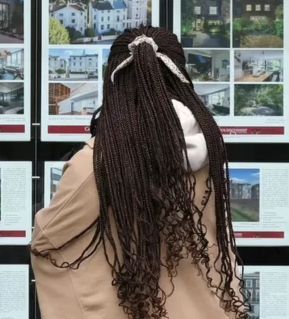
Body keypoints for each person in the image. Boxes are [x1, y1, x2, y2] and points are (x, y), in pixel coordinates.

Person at [30, 26, 251, 319]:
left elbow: (48, 242)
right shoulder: (208, 149)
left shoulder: (96, 163)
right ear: (182, 77)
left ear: (114, 83)